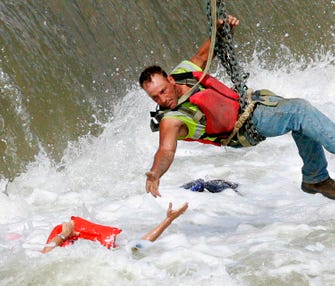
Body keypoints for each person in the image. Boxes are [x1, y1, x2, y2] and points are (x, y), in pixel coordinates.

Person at [139, 15, 335, 199]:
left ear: (171, 80)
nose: (162, 99)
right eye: (155, 97)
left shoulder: (183, 73)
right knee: (299, 111)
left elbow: (204, 55)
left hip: (251, 104)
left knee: (302, 124)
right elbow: (166, 150)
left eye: (163, 91)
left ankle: (315, 178)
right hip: (244, 127)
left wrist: (222, 31)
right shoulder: (171, 120)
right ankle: (316, 176)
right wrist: (155, 173)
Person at [42, 202, 188, 253]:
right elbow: (139, 246)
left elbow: (138, 245)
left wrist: (168, 220)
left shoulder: (108, 254)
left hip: (67, 236)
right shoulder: (108, 255)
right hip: (68, 237)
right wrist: (168, 220)